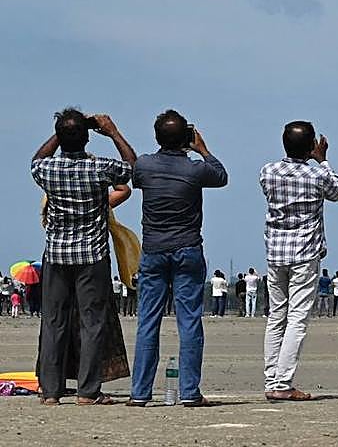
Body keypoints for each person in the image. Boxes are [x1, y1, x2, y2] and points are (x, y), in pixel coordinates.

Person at [31, 108, 135, 405]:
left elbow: (36, 159)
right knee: (93, 322)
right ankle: (87, 391)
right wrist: (112, 132)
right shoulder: (99, 168)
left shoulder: (47, 170)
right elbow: (133, 168)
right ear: (88, 139)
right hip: (91, 253)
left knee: (53, 322)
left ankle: (50, 390)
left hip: (57, 253)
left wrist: (64, 132)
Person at [128, 110, 228, 408]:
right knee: (189, 322)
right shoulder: (195, 169)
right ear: (186, 137)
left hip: (155, 249)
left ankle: (140, 392)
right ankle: (189, 391)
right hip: (187, 248)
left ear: (157, 137)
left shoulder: (145, 165)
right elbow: (221, 176)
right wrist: (202, 149)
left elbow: (132, 170)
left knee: (148, 321)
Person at [260, 121, 338, 401]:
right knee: (297, 319)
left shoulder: (268, 172)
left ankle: (272, 378)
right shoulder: (317, 175)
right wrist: (323, 161)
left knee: (276, 317)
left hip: (275, 252)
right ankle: (282, 383)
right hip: (305, 253)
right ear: (311, 147)